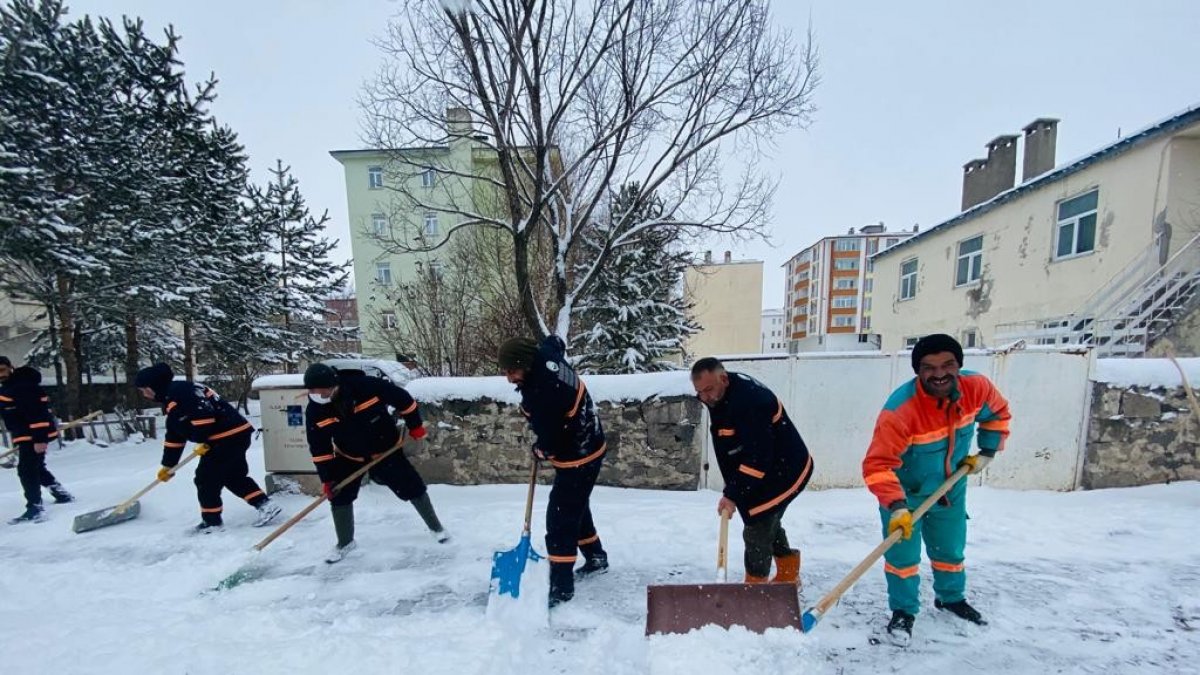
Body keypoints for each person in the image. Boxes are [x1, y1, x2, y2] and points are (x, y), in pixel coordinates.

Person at [862, 333, 1011, 643]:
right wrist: (897, 506)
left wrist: (987, 451)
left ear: (959, 366)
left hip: (950, 487)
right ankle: (903, 611)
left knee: (950, 548)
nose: (939, 373)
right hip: (906, 494)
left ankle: (950, 598)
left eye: (948, 364)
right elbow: (877, 465)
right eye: (929, 367)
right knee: (902, 557)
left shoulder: (976, 388)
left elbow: (997, 414)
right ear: (918, 371)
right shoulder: (900, 411)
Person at [498, 335, 609, 608]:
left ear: (526, 364)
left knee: (560, 518)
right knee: (574, 505)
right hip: (591, 441)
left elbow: (552, 440)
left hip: (578, 455)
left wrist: (542, 449)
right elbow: (555, 342)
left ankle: (561, 585)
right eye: (506, 372)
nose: (509, 379)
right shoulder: (545, 355)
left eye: (512, 371)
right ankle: (596, 557)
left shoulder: (542, 392)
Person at [303, 363, 448, 564]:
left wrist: (414, 425)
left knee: (412, 486)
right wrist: (327, 479)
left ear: (333, 385)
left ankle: (437, 528)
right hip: (349, 456)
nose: (317, 395)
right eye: (312, 391)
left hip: (385, 450)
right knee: (339, 495)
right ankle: (345, 543)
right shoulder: (315, 410)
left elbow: (404, 400)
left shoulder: (365, 386)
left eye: (322, 390)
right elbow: (319, 449)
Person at [690, 357, 814, 586]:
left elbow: (758, 459)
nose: (705, 397)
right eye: (700, 393)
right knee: (766, 519)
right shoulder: (722, 395)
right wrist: (734, 491)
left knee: (758, 527)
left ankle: (755, 590)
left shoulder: (750, 403)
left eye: (708, 390)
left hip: (785, 471)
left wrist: (733, 494)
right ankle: (788, 575)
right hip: (764, 468)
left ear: (724, 379)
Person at [135, 363, 281, 532]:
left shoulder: (180, 393)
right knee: (233, 476)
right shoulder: (174, 396)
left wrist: (201, 438)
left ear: (155, 385)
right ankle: (265, 505)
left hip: (226, 438)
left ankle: (212, 523)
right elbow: (175, 434)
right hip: (233, 435)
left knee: (205, 479)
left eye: (145, 389)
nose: (144, 394)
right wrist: (169, 465)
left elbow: (203, 416)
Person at [0, 357, 74, 523]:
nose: (0, 375)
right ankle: (61, 494)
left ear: (11, 367)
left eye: (2, 370)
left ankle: (35, 507)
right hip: (25, 435)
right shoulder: (11, 386)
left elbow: (36, 413)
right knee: (36, 467)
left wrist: (39, 439)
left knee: (26, 470)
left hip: (33, 436)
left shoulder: (22, 386)